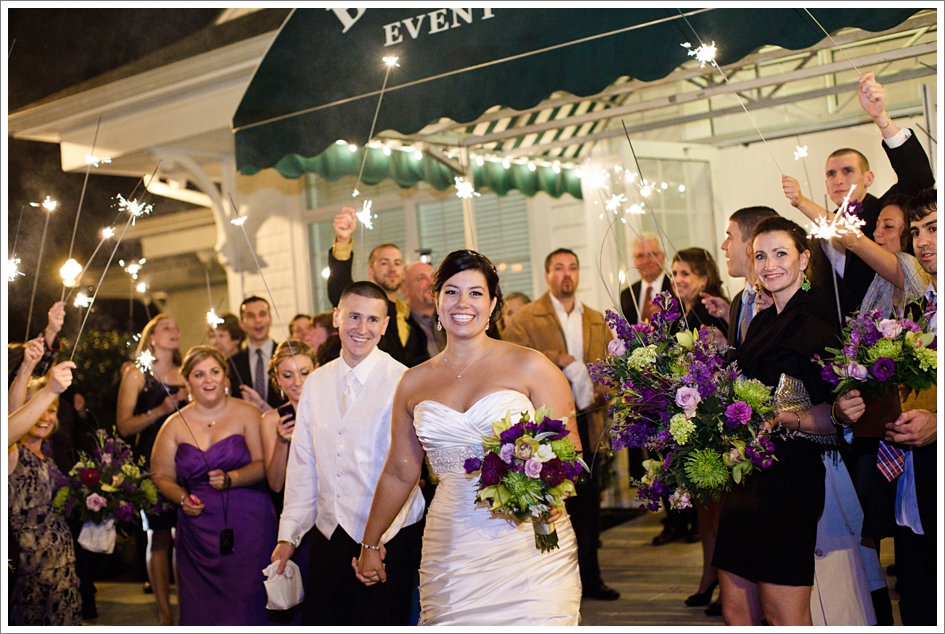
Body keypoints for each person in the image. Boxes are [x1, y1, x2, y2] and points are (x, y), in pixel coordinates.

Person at [356, 250, 582, 625]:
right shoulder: (413, 382)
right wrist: (370, 542)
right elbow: (399, 470)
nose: (463, 303)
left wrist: (549, 493)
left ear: (493, 304)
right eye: (451, 292)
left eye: (476, 293)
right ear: (436, 300)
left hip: (529, 541)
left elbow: (570, 450)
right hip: (453, 545)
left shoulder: (532, 366)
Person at [271, 282, 426, 626]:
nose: (362, 328)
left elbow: (407, 470)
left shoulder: (405, 380)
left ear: (385, 325)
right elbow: (304, 464)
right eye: (354, 316)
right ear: (337, 317)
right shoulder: (316, 381)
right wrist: (288, 536)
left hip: (393, 537)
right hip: (329, 535)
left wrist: (377, 542)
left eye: (373, 320)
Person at [712, 217, 840, 626]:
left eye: (781, 254)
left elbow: (839, 416)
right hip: (745, 478)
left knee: (782, 614)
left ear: (804, 259)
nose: (770, 265)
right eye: (761, 255)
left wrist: (785, 417)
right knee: (736, 610)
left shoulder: (815, 321)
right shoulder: (766, 318)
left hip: (788, 482)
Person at [836, 189, 937, 626]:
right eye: (917, 232)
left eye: (934, 228)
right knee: (916, 597)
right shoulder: (922, 308)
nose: (923, 241)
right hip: (915, 476)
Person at [503, 248, 618, 601]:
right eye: (558, 268)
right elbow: (511, 360)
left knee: (587, 503)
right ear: (546, 274)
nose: (566, 274)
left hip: (589, 421)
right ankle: (552, 580)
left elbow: (610, 368)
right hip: (545, 429)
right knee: (550, 504)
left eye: (572, 268)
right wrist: (557, 358)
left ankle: (591, 577)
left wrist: (604, 388)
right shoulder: (525, 318)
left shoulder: (596, 318)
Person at [787, 72, 933, 319]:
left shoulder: (886, 210)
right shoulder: (817, 235)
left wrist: (881, 118)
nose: (839, 180)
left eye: (847, 171)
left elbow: (918, 177)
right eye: (831, 174)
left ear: (869, 178)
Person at [150, 345, 277, 626]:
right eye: (199, 374)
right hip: (197, 531)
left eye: (214, 372)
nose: (208, 380)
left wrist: (234, 478)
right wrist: (182, 499)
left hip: (249, 524)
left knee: (249, 602)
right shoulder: (173, 425)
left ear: (225, 377)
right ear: (187, 382)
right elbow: (160, 474)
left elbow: (264, 465)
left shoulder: (249, 414)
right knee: (201, 607)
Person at [696, 205, 778, 617]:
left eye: (730, 236)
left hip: (776, 458)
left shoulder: (779, 302)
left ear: (751, 242)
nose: (724, 246)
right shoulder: (738, 300)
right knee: (738, 593)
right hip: (740, 462)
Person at [115, 314, 186, 626]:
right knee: (159, 536)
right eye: (166, 328)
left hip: (187, 459)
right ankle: (165, 613)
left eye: (176, 326)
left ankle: (188, 605)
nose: (174, 331)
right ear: (152, 338)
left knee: (185, 535)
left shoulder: (188, 372)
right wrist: (160, 410)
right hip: (152, 460)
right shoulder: (137, 374)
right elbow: (124, 425)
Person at [8, 363, 82, 626]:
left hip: (62, 570)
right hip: (29, 571)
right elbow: (11, 416)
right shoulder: (12, 452)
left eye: (51, 410)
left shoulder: (51, 456)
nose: (45, 417)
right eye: (39, 409)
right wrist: (29, 367)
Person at [326, 206, 429, 367]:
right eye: (384, 263)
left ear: (403, 273)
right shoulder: (360, 307)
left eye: (397, 263)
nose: (392, 268)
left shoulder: (411, 320)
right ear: (370, 271)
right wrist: (343, 240)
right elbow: (338, 287)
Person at [229, 296, 282, 410]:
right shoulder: (232, 363)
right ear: (241, 323)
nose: (257, 320)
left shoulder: (285, 355)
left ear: (270, 319)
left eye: (262, 314)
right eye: (250, 316)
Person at [620, 232, 676, 325]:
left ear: (663, 257)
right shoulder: (627, 295)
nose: (646, 261)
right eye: (640, 256)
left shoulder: (676, 287)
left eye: (652, 254)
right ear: (634, 261)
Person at [402, 261, 446, 358]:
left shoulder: (449, 318)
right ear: (405, 290)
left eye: (433, 277)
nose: (431, 283)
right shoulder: (401, 326)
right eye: (422, 278)